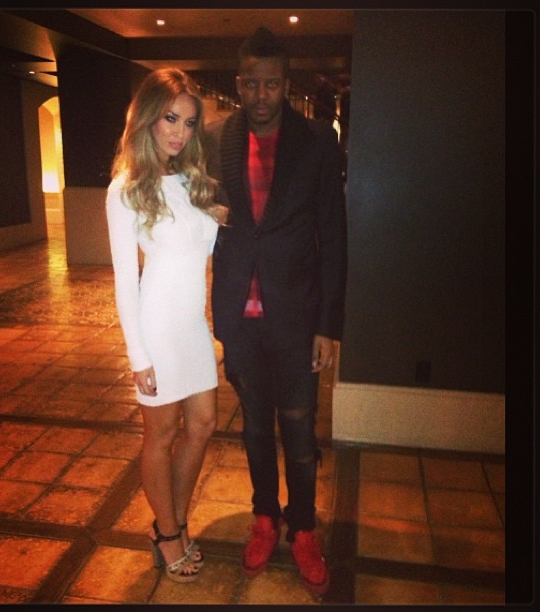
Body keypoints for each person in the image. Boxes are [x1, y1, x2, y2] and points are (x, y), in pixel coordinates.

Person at [204, 27, 347, 595]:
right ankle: (265, 517)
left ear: (285, 84)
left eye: (270, 84)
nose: (259, 94)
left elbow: (333, 236)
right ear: (239, 82)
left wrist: (328, 326)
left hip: (297, 317)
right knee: (256, 428)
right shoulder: (215, 138)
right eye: (250, 83)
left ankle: (303, 527)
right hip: (239, 316)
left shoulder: (316, 142)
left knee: (300, 429)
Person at [106, 67, 225, 583]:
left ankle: (168, 522)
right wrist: (138, 356)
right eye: (170, 118)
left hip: (193, 325)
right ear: (149, 118)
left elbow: (204, 247)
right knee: (160, 433)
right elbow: (124, 281)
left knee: (203, 424)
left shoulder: (191, 183)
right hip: (156, 325)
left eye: (189, 122)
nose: (179, 131)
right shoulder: (126, 189)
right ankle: (170, 532)